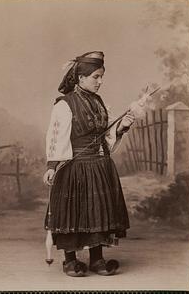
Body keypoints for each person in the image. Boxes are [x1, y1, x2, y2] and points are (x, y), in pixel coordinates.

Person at [43, 51, 135, 277]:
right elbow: (57, 137)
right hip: (75, 166)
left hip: (99, 165)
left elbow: (104, 136)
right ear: (80, 78)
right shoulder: (65, 105)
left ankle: (97, 260)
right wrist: (52, 166)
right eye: (96, 76)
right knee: (72, 212)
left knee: (98, 212)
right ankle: (70, 261)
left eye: (102, 76)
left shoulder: (98, 102)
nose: (100, 81)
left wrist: (121, 126)